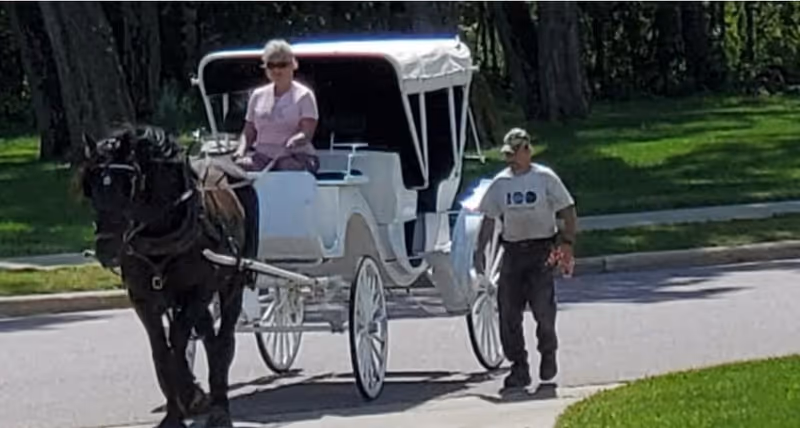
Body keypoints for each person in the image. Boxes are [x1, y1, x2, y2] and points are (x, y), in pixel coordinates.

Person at [474, 127, 578, 389]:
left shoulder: (545, 178)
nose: (511, 159)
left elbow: (567, 210)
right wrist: (480, 251)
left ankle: (548, 351)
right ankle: (518, 366)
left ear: (527, 150)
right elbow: (489, 218)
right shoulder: (501, 184)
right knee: (508, 313)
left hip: (541, 251)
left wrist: (567, 242)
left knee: (543, 309)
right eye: (507, 154)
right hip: (512, 253)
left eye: (515, 153)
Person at [234, 39, 320, 173]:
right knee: (231, 169)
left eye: (282, 65)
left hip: (296, 156)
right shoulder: (257, 95)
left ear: (293, 65)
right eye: (271, 65)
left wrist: (295, 140)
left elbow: (307, 132)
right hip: (262, 158)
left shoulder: (304, 95)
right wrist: (240, 151)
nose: (276, 70)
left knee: (285, 166)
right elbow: (249, 130)